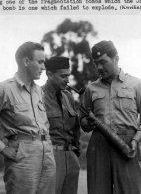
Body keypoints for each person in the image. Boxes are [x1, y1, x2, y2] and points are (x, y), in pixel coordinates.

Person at [80, 40, 141, 194]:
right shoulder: (91, 88)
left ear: (116, 59)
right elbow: (83, 123)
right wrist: (87, 122)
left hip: (127, 145)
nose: (99, 67)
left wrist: (136, 139)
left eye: (103, 62)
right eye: (96, 63)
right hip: (99, 146)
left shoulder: (136, 84)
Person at [0, 42, 56, 194]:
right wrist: (3, 148)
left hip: (47, 152)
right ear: (26, 62)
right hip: (22, 155)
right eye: (40, 62)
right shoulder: (5, 89)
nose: (44, 68)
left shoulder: (39, 91)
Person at [42, 56, 81, 194]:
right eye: (63, 76)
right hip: (50, 156)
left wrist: (76, 153)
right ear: (50, 75)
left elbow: (76, 128)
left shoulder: (68, 96)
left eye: (68, 75)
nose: (67, 80)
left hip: (71, 156)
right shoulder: (38, 96)